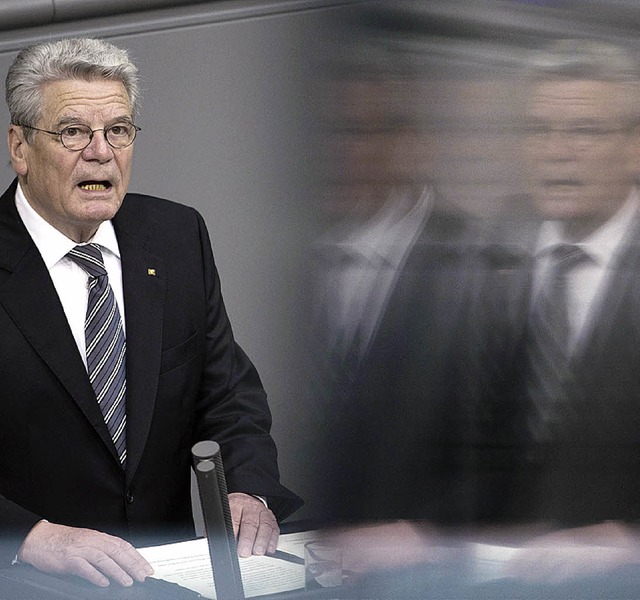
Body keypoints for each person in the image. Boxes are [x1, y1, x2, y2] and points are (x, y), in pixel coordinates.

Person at [0, 37, 301, 588]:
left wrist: (247, 489)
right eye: (72, 132)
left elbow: (226, 393)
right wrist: (27, 535)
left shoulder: (175, 236)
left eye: (118, 130)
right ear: (19, 147)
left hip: (174, 578)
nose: (100, 152)